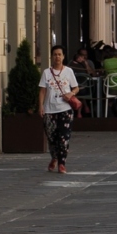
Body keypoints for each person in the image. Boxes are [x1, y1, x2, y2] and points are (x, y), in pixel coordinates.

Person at [38, 45, 79, 174]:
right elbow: (42, 91)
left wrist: (71, 94)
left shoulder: (68, 71)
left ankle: (62, 163)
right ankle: (54, 157)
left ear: (63, 56)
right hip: (50, 110)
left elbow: (76, 88)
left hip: (65, 109)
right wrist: (41, 106)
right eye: (55, 54)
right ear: (52, 56)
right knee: (52, 137)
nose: (57, 57)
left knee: (64, 137)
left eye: (59, 54)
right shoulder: (46, 72)